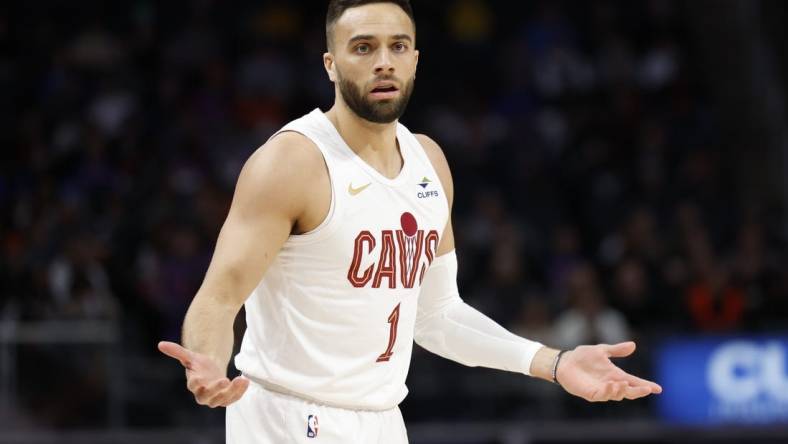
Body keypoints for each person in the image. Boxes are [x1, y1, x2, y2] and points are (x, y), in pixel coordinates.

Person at [158, 1, 662, 442]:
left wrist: (554, 363)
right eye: (363, 48)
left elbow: (437, 314)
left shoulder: (429, 162)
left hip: (381, 419)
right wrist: (206, 360)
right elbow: (219, 297)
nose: (383, 62)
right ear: (330, 65)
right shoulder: (292, 162)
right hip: (286, 417)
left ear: (416, 60)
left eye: (398, 47)